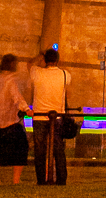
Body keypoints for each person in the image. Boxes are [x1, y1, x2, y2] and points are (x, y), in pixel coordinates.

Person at [0, 56, 30, 185]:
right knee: (21, 148)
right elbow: (17, 97)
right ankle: (16, 179)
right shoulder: (11, 80)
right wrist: (26, 109)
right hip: (9, 120)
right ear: (13, 64)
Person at [30, 46, 71, 186]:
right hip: (57, 116)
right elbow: (66, 83)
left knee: (40, 150)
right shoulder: (65, 74)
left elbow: (29, 64)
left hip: (39, 116)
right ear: (57, 60)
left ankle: (41, 179)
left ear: (45, 60)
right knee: (58, 149)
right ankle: (61, 179)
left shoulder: (36, 72)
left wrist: (40, 54)